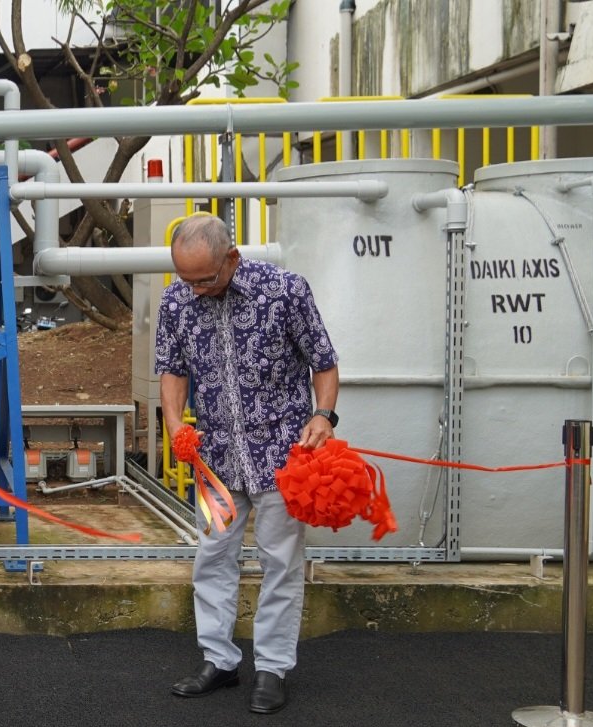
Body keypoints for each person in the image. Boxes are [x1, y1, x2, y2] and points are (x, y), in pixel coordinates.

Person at [155, 212, 339, 715]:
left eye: (204, 279)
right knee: (213, 557)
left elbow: (323, 361)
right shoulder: (176, 300)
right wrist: (173, 423)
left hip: (283, 459)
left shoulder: (285, 291)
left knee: (280, 563)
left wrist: (323, 415)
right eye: (186, 280)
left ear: (232, 258)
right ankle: (219, 661)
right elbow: (171, 368)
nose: (194, 290)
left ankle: (273, 668)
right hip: (215, 462)